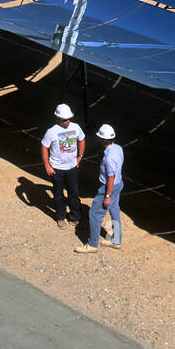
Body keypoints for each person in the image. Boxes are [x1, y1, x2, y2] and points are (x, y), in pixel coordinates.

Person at [75, 124, 123, 253]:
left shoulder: (109, 158)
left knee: (95, 214)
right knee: (114, 210)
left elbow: (110, 178)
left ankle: (92, 244)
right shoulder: (118, 149)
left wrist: (107, 196)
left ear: (101, 139)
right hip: (118, 184)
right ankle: (116, 240)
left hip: (109, 187)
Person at [41, 103, 85, 230]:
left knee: (74, 193)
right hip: (57, 169)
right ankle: (60, 216)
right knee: (58, 194)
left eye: (69, 119)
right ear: (58, 119)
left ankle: (75, 216)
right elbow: (44, 147)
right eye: (64, 119)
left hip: (71, 168)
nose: (67, 122)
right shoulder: (51, 132)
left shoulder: (76, 127)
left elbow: (82, 139)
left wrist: (79, 157)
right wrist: (47, 166)